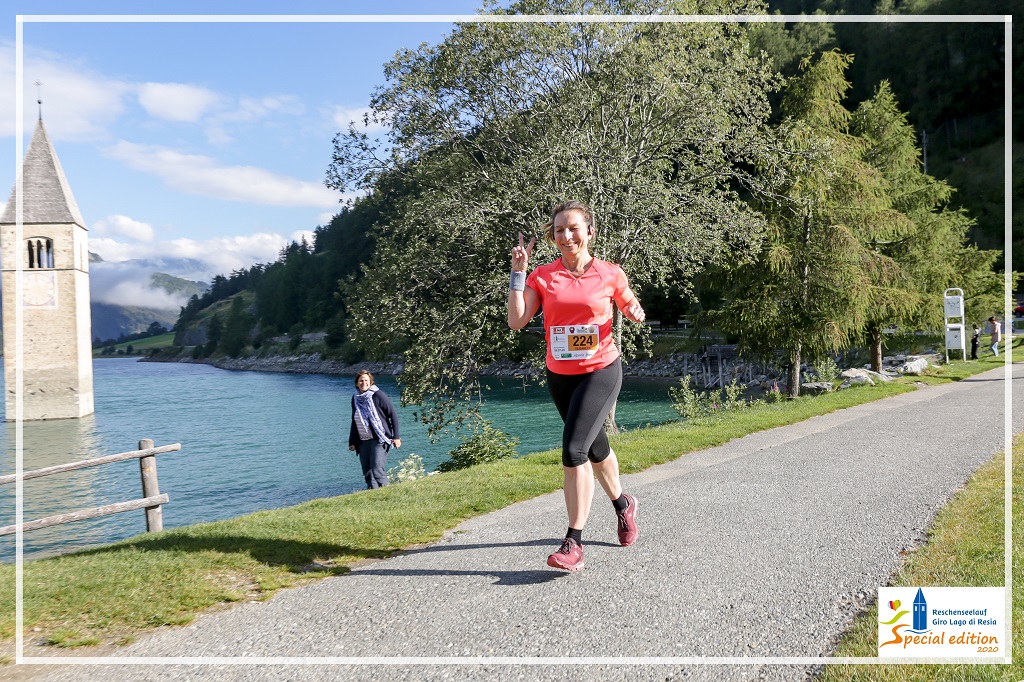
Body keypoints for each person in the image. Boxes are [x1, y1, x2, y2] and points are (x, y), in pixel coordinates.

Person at [507, 200, 645, 571]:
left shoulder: (609, 272)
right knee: (595, 448)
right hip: (560, 377)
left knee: (573, 450)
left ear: (589, 232)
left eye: (573, 228)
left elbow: (628, 301)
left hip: (601, 370)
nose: (566, 236)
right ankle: (624, 505)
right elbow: (517, 321)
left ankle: (573, 543)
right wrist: (518, 274)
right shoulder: (542, 276)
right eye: (559, 230)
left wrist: (633, 310)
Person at [348, 370, 401, 489]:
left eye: (366, 380)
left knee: (377, 469)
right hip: (363, 440)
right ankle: (373, 494)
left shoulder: (378, 395)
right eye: (361, 380)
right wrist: (352, 442)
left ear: (371, 382)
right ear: (356, 383)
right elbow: (355, 420)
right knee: (368, 472)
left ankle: (387, 493)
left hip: (380, 439)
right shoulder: (355, 398)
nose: (363, 383)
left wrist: (396, 437)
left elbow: (393, 415)